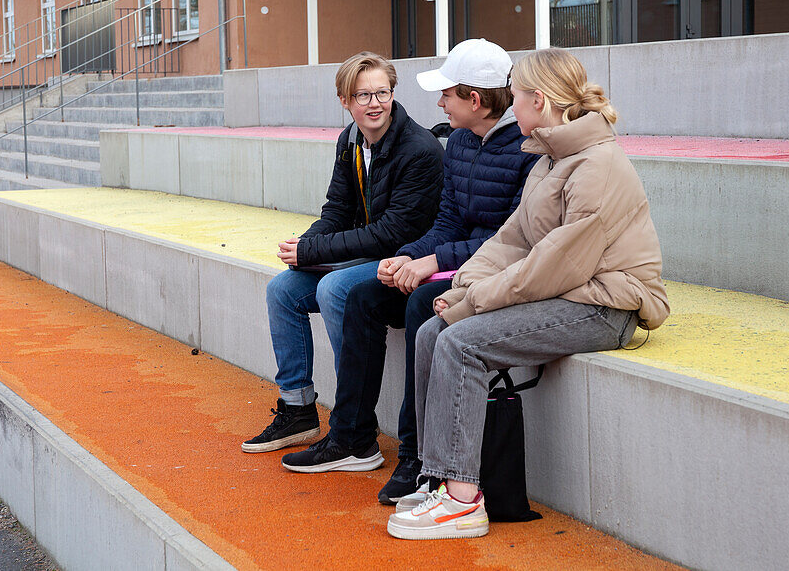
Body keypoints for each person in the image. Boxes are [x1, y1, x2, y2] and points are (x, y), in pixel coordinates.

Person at [387, 48, 670, 540]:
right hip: (571, 291)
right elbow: (512, 240)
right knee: (434, 331)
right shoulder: (550, 157)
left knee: (462, 341)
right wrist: (465, 283)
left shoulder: (595, 164)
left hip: (608, 304)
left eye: (515, 97)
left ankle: (461, 500)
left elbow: (554, 264)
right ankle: (437, 476)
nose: (510, 106)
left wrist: (474, 301)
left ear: (540, 100)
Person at [279, 39, 537, 504]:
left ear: (474, 100)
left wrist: (430, 262)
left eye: (447, 95)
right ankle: (352, 436)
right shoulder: (458, 141)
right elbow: (447, 221)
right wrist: (408, 256)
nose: (438, 103)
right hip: (451, 264)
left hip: (493, 273)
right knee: (361, 295)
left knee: (420, 302)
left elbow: (508, 241)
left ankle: (416, 456)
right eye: (363, 95)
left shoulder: (525, 151)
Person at [242, 51, 444, 454]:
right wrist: (304, 246)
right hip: (369, 251)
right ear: (345, 101)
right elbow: (336, 209)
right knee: (282, 290)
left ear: (393, 93)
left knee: (335, 288)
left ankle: (351, 424)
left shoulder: (419, 149)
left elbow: (392, 233)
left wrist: (314, 249)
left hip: (402, 258)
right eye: (362, 95)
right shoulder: (350, 139)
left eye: (382, 93)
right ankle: (298, 411)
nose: (374, 104)